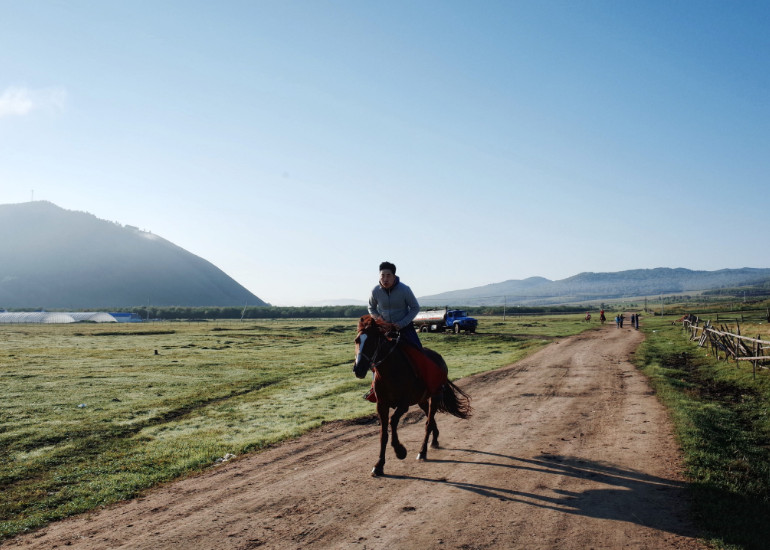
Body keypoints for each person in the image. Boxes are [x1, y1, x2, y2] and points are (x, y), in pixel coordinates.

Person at [368, 261, 422, 349]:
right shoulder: (375, 291)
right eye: (382, 275)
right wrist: (379, 319)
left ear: (394, 276)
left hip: (404, 328)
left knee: (418, 351)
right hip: (384, 329)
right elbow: (371, 308)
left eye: (388, 275)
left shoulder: (405, 289)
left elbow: (415, 308)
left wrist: (402, 323)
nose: (385, 279)